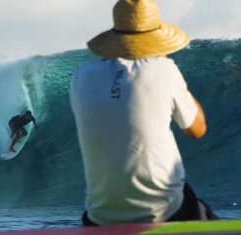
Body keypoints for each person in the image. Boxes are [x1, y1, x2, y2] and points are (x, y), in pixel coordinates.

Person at [70, 0, 218, 226]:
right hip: (164, 212)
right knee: (199, 208)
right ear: (155, 37)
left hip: (98, 218)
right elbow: (197, 129)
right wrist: (179, 85)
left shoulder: (81, 75)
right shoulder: (164, 70)